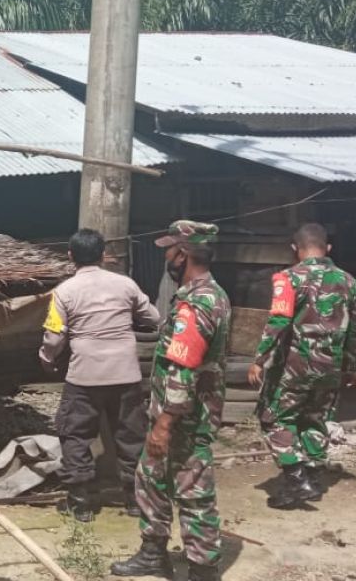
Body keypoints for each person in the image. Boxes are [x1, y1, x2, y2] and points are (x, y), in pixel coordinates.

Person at [112, 221, 231, 581]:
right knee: (151, 479)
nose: (165, 255)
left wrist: (164, 425)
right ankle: (153, 553)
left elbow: (182, 368)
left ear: (183, 254)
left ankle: (202, 568)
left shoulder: (198, 303)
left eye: (169, 249)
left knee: (193, 491)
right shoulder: (203, 295)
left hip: (183, 418)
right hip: (175, 413)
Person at [39, 228, 160, 522]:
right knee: (131, 436)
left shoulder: (64, 292)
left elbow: (54, 339)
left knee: (75, 435)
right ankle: (134, 500)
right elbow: (154, 318)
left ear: (70, 257)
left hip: (84, 376)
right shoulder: (126, 285)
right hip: (125, 374)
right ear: (104, 255)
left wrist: (46, 358)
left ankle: (81, 502)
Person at [248, 222, 356, 509]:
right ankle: (307, 480)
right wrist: (350, 366)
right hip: (330, 368)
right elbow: (355, 330)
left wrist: (260, 359)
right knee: (315, 420)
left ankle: (297, 476)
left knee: (273, 418)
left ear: (294, 249)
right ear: (328, 248)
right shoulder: (349, 281)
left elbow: (278, 321)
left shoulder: (288, 278)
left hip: (294, 366)